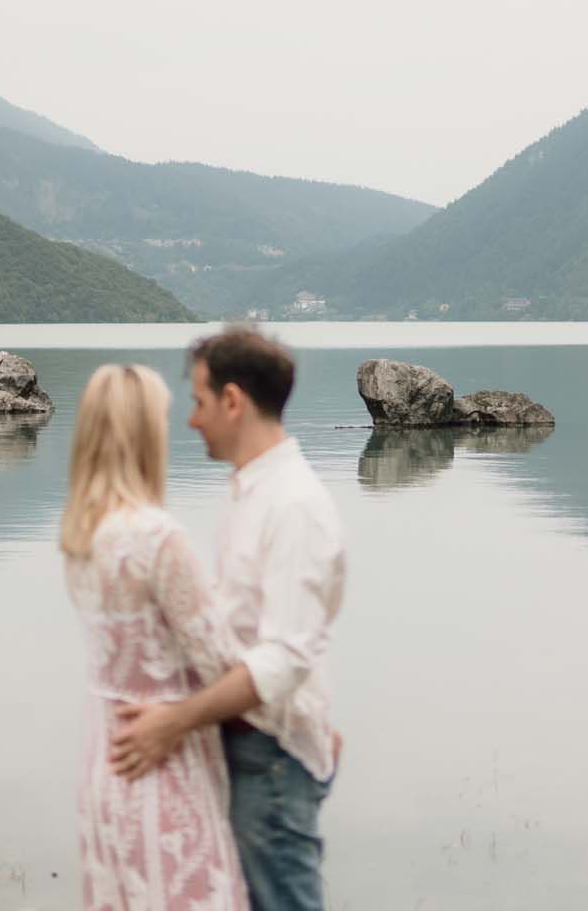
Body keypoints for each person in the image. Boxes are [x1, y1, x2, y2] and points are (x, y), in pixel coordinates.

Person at [110, 328, 346, 911]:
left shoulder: (294, 506)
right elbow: (241, 627)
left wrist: (174, 722)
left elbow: (284, 658)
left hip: (270, 757)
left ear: (233, 401)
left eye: (198, 401)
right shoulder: (250, 493)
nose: (190, 420)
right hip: (254, 748)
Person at [62, 362, 248, 911]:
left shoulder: (81, 535)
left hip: (105, 765)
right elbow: (222, 666)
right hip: (163, 764)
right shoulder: (158, 538)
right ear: (143, 433)